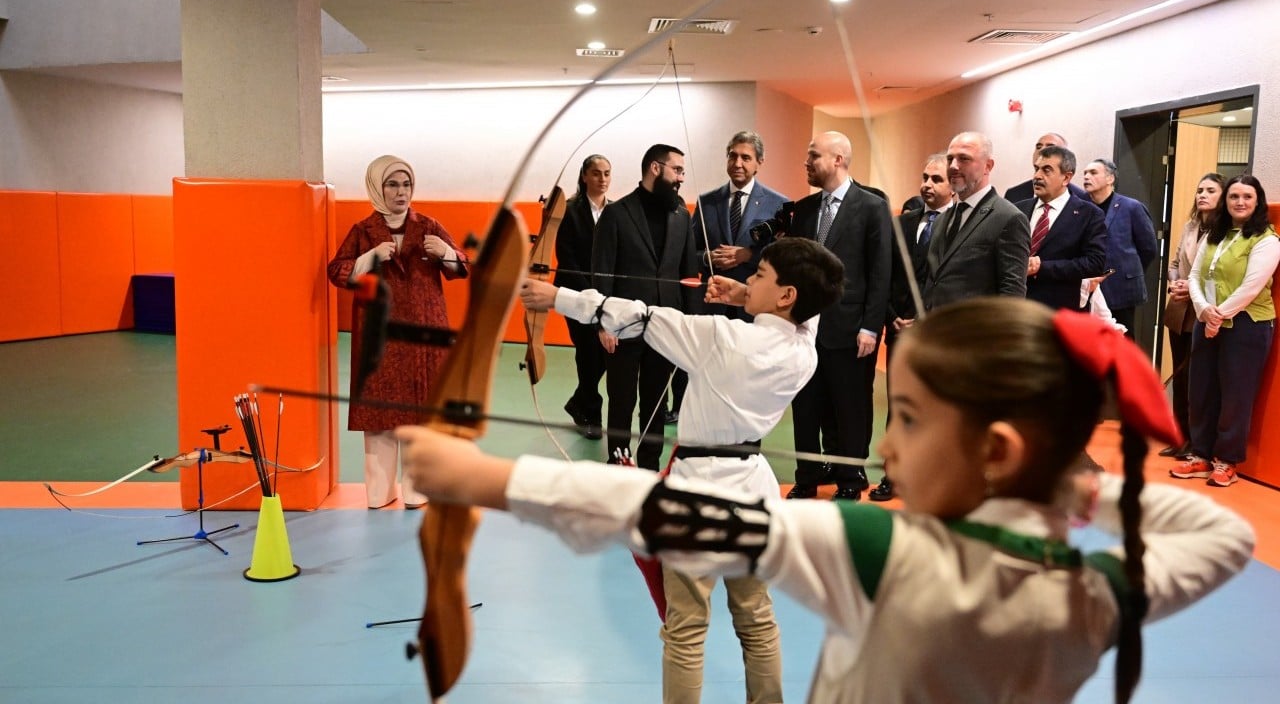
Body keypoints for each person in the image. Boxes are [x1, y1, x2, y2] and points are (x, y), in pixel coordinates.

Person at [396, 296, 1254, 704]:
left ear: (995, 451)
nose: (882, 446)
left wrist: (486, 481)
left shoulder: (886, 555)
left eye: (907, 420)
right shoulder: (1090, 588)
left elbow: (658, 515)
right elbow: (1219, 536)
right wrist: (1082, 487)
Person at [519, 237, 844, 704]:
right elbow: (808, 317)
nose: (747, 280)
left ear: (787, 295)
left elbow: (637, 315)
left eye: (759, 275)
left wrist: (557, 299)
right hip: (754, 492)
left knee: (686, 629)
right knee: (756, 619)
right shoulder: (803, 353)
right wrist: (746, 296)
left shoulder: (719, 337)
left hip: (697, 494)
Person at [326, 154, 468, 509]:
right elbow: (337, 271)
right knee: (380, 416)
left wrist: (447, 252)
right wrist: (371, 257)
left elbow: (462, 267)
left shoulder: (429, 226)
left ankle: (418, 486)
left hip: (423, 333)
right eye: (392, 184)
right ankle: (380, 487)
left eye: (405, 184)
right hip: (380, 336)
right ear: (377, 187)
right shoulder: (362, 231)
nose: (400, 192)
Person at [787, 131, 892, 501]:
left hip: (850, 330)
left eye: (813, 156)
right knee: (806, 407)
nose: (807, 163)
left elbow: (880, 273)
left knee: (849, 406)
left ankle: (850, 477)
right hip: (806, 330)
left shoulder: (871, 207)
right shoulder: (804, 210)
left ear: (837, 160)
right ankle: (807, 475)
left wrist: (870, 327)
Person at [592, 144, 700, 470]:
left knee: (656, 402)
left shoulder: (682, 215)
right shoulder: (617, 214)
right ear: (656, 168)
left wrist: (690, 325)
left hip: (665, 326)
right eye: (677, 170)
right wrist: (602, 323)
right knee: (622, 400)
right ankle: (618, 463)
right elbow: (602, 272)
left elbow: (689, 274)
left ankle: (650, 466)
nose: (682, 177)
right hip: (622, 326)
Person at [1172, 174, 1279, 487]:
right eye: (1234, 197)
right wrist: (1204, 310)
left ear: (1257, 201)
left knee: (1236, 395)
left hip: (1247, 325)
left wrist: (1218, 315)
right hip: (1207, 319)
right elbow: (1193, 276)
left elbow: (1251, 286)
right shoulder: (1215, 235)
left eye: (1247, 197)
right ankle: (1201, 455)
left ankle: (1227, 461)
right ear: (1226, 202)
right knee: (1201, 390)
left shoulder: (1267, 240)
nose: (1240, 202)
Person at [874, 153, 952, 501]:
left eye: (937, 179)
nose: (927, 185)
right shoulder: (903, 224)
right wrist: (892, 315)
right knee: (899, 403)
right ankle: (894, 475)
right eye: (925, 177)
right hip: (899, 329)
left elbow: (951, 283)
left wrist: (925, 317)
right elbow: (886, 276)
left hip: (938, 332)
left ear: (952, 185)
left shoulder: (959, 226)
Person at [923, 131, 1030, 310]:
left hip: (975, 333)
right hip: (934, 331)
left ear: (988, 166)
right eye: (950, 159)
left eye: (964, 159)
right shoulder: (942, 219)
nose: (954, 166)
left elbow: (1012, 296)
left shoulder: (1008, 218)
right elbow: (934, 280)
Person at [692, 131, 790, 321]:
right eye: (733, 156)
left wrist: (749, 255)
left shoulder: (781, 204)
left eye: (745, 158)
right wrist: (707, 257)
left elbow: (785, 260)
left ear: (759, 162)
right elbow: (688, 251)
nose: (737, 163)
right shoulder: (706, 201)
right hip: (713, 305)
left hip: (756, 309)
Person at [1160, 173, 1225, 458]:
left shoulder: (1225, 231)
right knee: (1180, 376)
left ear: (1222, 196)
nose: (1202, 195)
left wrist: (1193, 286)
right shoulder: (1190, 226)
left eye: (1210, 190)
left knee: (1199, 379)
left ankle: (1199, 442)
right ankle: (1180, 437)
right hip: (1178, 310)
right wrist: (1175, 281)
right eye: (1200, 190)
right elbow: (1174, 263)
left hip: (1204, 309)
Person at [555, 154, 612, 440]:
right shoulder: (568, 210)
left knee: (604, 355)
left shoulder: (616, 211)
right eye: (596, 173)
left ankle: (579, 401)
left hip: (607, 298)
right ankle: (590, 413)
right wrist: (590, 291)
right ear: (584, 176)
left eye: (606, 174)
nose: (602, 179)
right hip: (574, 295)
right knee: (588, 352)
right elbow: (566, 258)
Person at [1014, 145, 1108, 311]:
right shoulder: (1017, 209)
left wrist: (1042, 268)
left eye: (1046, 170)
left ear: (1066, 178)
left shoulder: (1089, 214)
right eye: (1036, 169)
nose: (1037, 176)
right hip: (1016, 305)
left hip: (1058, 309)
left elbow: (1094, 263)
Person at [1080, 158, 1159, 335]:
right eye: (1085, 173)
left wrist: (1127, 270)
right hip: (1087, 287)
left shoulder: (1131, 207)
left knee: (1122, 339)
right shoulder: (1080, 206)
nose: (1086, 177)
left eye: (1093, 173)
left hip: (1121, 287)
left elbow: (1148, 248)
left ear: (1110, 178)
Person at [1003, 132, 1088, 203]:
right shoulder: (1013, 194)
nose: (1042, 151)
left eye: (1050, 147)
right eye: (1039, 147)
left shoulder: (1082, 198)